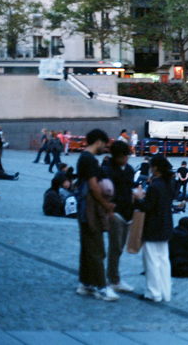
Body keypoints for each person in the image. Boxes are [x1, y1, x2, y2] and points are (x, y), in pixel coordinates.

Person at [74, 129, 117, 301]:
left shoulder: (84, 158)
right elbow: (93, 186)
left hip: (85, 208)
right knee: (97, 248)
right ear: (99, 141)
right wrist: (106, 206)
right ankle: (101, 287)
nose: (105, 148)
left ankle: (86, 283)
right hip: (89, 209)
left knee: (87, 247)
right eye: (105, 144)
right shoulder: (89, 159)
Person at [133, 155, 175, 302]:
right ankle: (165, 292)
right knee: (164, 260)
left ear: (155, 168)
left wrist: (139, 199)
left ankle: (153, 293)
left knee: (151, 260)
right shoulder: (169, 182)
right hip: (166, 225)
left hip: (152, 227)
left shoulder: (155, 185)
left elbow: (148, 207)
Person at [103, 141, 136, 294]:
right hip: (115, 213)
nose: (126, 159)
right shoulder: (107, 170)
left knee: (119, 248)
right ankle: (113, 279)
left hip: (128, 212)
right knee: (114, 248)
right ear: (116, 156)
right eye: (123, 156)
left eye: (127, 156)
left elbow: (130, 189)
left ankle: (113, 277)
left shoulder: (129, 169)